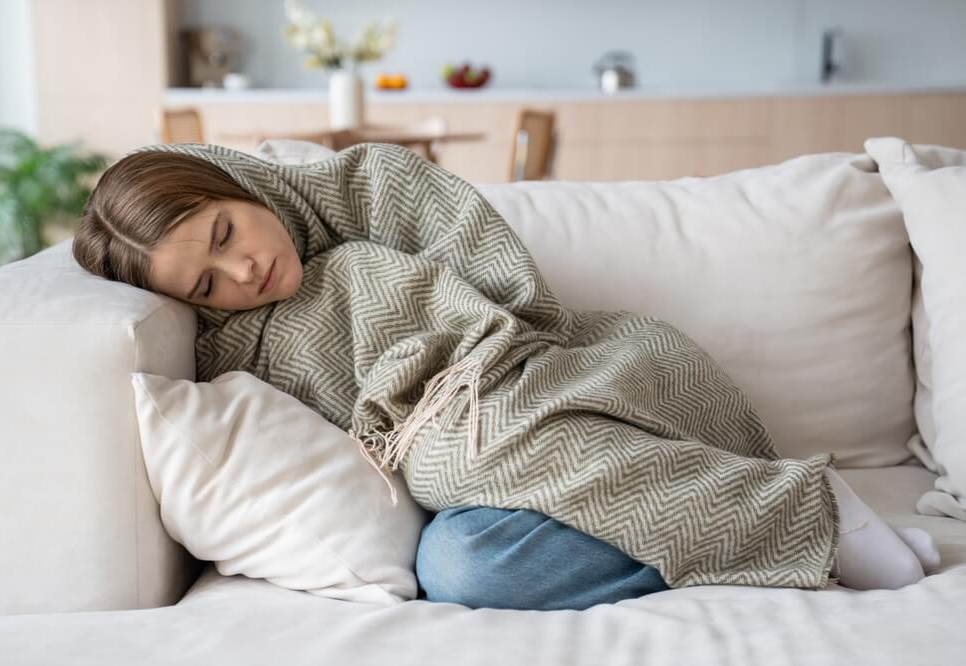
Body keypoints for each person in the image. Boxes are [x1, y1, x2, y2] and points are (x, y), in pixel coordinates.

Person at [72, 148, 940, 610]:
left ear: (231, 186)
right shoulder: (239, 348)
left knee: (450, 456)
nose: (243, 272)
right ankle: (775, 514)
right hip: (479, 489)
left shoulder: (377, 188)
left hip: (575, 382)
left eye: (226, 233)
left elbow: (513, 304)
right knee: (462, 567)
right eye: (204, 287)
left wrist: (440, 389)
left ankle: (796, 520)